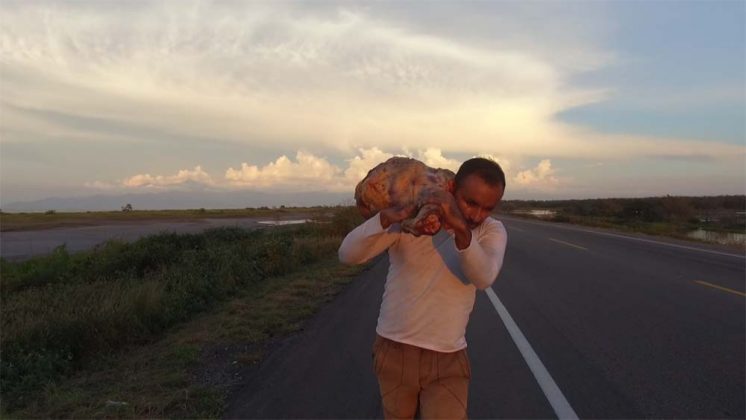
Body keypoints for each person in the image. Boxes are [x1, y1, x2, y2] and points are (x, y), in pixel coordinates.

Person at [338, 157, 508, 420]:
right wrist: (385, 218)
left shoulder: (490, 231)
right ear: (451, 188)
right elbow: (347, 255)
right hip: (393, 349)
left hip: (448, 358)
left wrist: (460, 229)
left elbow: (484, 277)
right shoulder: (411, 218)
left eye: (487, 208)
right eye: (470, 202)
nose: (476, 215)